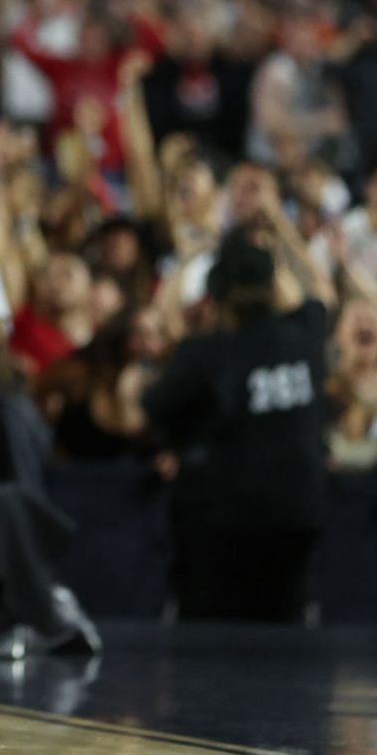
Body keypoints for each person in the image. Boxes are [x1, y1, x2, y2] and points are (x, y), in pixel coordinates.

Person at [144, 226, 330, 622]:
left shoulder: (208, 352)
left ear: (217, 293)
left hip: (225, 530)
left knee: (211, 647)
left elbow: (155, 405)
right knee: (288, 642)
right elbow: (315, 295)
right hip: (299, 519)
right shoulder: (308, 333)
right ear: (273, 285)